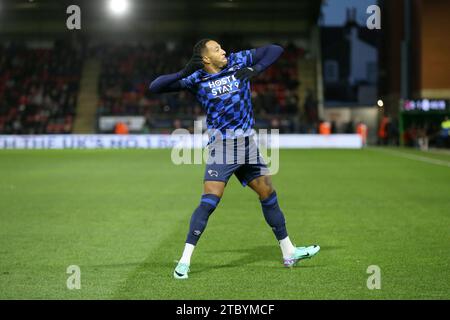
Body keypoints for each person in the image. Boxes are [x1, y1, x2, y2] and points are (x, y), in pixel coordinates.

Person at [149, 39, 320, 279]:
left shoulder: (238, 62)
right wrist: (184, 71)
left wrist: (255, 69)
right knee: (210, 201)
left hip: (249, 146)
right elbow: (155, 87)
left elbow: (275, 50)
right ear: (206, 58)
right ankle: (184, 263)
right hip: (223, 147)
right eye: (217, 49)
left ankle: (289, 251)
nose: (224, 51)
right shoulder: (196, 78)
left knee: (268, 195)